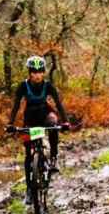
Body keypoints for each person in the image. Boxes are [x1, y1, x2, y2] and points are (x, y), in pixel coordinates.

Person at [8, 55, 69, 203]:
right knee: (29, 156)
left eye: (40, 72)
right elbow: (16, 105)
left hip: (45, 114)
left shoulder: (48, 86)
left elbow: (59, 105)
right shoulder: (23, 86)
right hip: (30, 118)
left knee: (53, 122)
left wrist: (65, 122)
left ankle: (53, 158)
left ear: (44, 73)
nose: (37, 75)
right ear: (29, 73)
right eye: (34, 72)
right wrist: (10, 124)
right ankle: (29, 190)